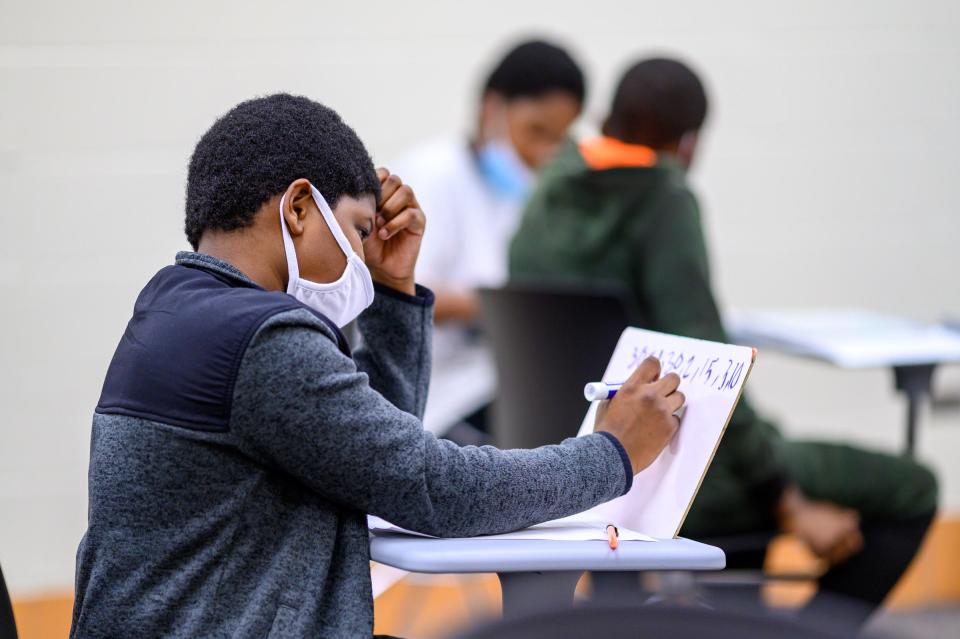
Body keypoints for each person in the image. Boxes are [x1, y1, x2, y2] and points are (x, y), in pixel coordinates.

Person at [70, 93, 686, 638]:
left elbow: (371, 459)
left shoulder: (176, 304)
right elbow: (432, 487)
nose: (364, 256)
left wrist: (393, 291)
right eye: (360, 230)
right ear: (299, 209)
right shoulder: (262, 340)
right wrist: (613, 453)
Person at [509, 58, 938, 625]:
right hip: (675, 470)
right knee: (913, 486)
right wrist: (786, 496)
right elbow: (712, 377)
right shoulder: (664, 198)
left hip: (567, 453)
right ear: (686, 143)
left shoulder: (549, 187)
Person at [392, 39, 585, 362]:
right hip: (436, 388)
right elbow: (398, 288)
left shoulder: (536, 192)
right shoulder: (432, 171)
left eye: (558, 139)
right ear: (490, 108)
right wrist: (509, 308)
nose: (545, 153)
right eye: (536, 131)